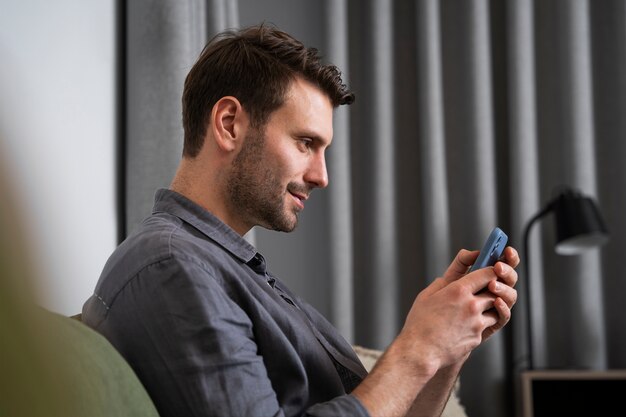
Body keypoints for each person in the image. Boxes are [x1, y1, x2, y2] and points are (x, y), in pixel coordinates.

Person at [82, 23, 519, 417]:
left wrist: (449, 344)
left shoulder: (227, 266)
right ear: (229, 123)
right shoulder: (173, 267)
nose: (321, 176)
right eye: (305, 143)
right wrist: (417, 349)